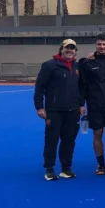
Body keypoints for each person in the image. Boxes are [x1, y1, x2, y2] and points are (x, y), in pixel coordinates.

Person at [34, 38, 84, 180]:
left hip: (73, 111)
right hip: (54, 111)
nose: (69, 50)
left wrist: (81, 105)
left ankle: (66, 168)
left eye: (72, 48)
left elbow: (81, 88)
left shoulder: (77, 66)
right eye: (67, 48)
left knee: (69, 140)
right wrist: (39, 107)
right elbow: (39, 87)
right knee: (52, 140)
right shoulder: (50, 66)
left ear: (75, 51)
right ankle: (49, 169)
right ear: (61, 49)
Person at [79, 34, 105, 174]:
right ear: (95, 45)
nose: (102, 47)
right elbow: (82, 85)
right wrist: (81, 103)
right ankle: (100, 164)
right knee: (97, 133)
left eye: (104, 44)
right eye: (99, 44)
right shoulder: (87, 63)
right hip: (95, 105)